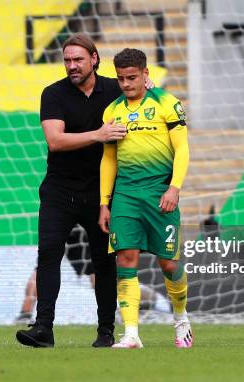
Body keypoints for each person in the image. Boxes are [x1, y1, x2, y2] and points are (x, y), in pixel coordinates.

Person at [16, 34, 152, 348]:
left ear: (94, 59)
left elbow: (145, 95)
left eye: (78, 59)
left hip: (102, 192)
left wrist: (151, 89)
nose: (72, 66)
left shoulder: (114, 89)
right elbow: (56, 141)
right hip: (59, 191)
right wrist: (99, 134)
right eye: (67, 60)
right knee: (48, 255)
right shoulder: (53, 94)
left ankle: (105, 332)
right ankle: (43, 329)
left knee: (104, 262)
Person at [98, 48, 193, 349]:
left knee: (168, 264)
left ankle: (181, 319)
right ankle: (131, 334)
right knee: (126, 259)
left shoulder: (167, 103)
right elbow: (109, 159)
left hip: (159, 194)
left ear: (145, 74)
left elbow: (182, 149)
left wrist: (174, 188)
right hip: (126, 195)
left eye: (132, 78)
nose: (126, 84)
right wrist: (105, 201)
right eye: (121, 79)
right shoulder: (113, 111)